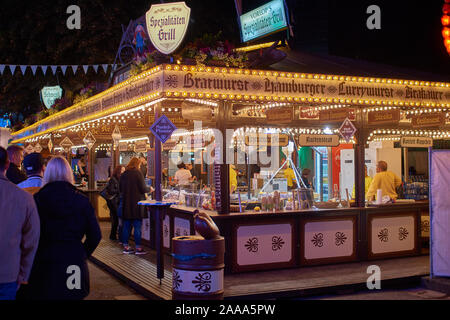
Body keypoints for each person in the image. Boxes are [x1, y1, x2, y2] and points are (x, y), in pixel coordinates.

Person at [19, 156, 101, 300]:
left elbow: (27, 233)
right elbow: (95, 235)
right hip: (73, 262)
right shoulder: (81, 200)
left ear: (47, 173)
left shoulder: (37, 200)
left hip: (43, 261)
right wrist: (81, 253)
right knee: (72, 295)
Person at [0, 147, 40, 300]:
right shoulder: (24, 198)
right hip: (8, 273)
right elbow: (31, 240)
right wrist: (23, 273)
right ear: (7, 164)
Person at [119, 157, 151, 255]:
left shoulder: (124, 174)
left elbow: (120, 188)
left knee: (126, 226)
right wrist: (149, 189)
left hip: (126, 204)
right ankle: (138, 248)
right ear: (137, 164)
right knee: (137, 226)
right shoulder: (138, 173)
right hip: (137, 204)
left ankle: (126, 246)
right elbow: (142, 188)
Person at [104, 165, 125, 241]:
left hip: (115, 201)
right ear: (118, 171)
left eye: (124, 170)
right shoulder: (113, 179)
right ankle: (115, 236)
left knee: (115, 219)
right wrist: (120, 191)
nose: (123, 172)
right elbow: (111, 190)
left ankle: (113, 236)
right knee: (117, 218)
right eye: (122, 170)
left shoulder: (118, 179)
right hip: (113, 202)